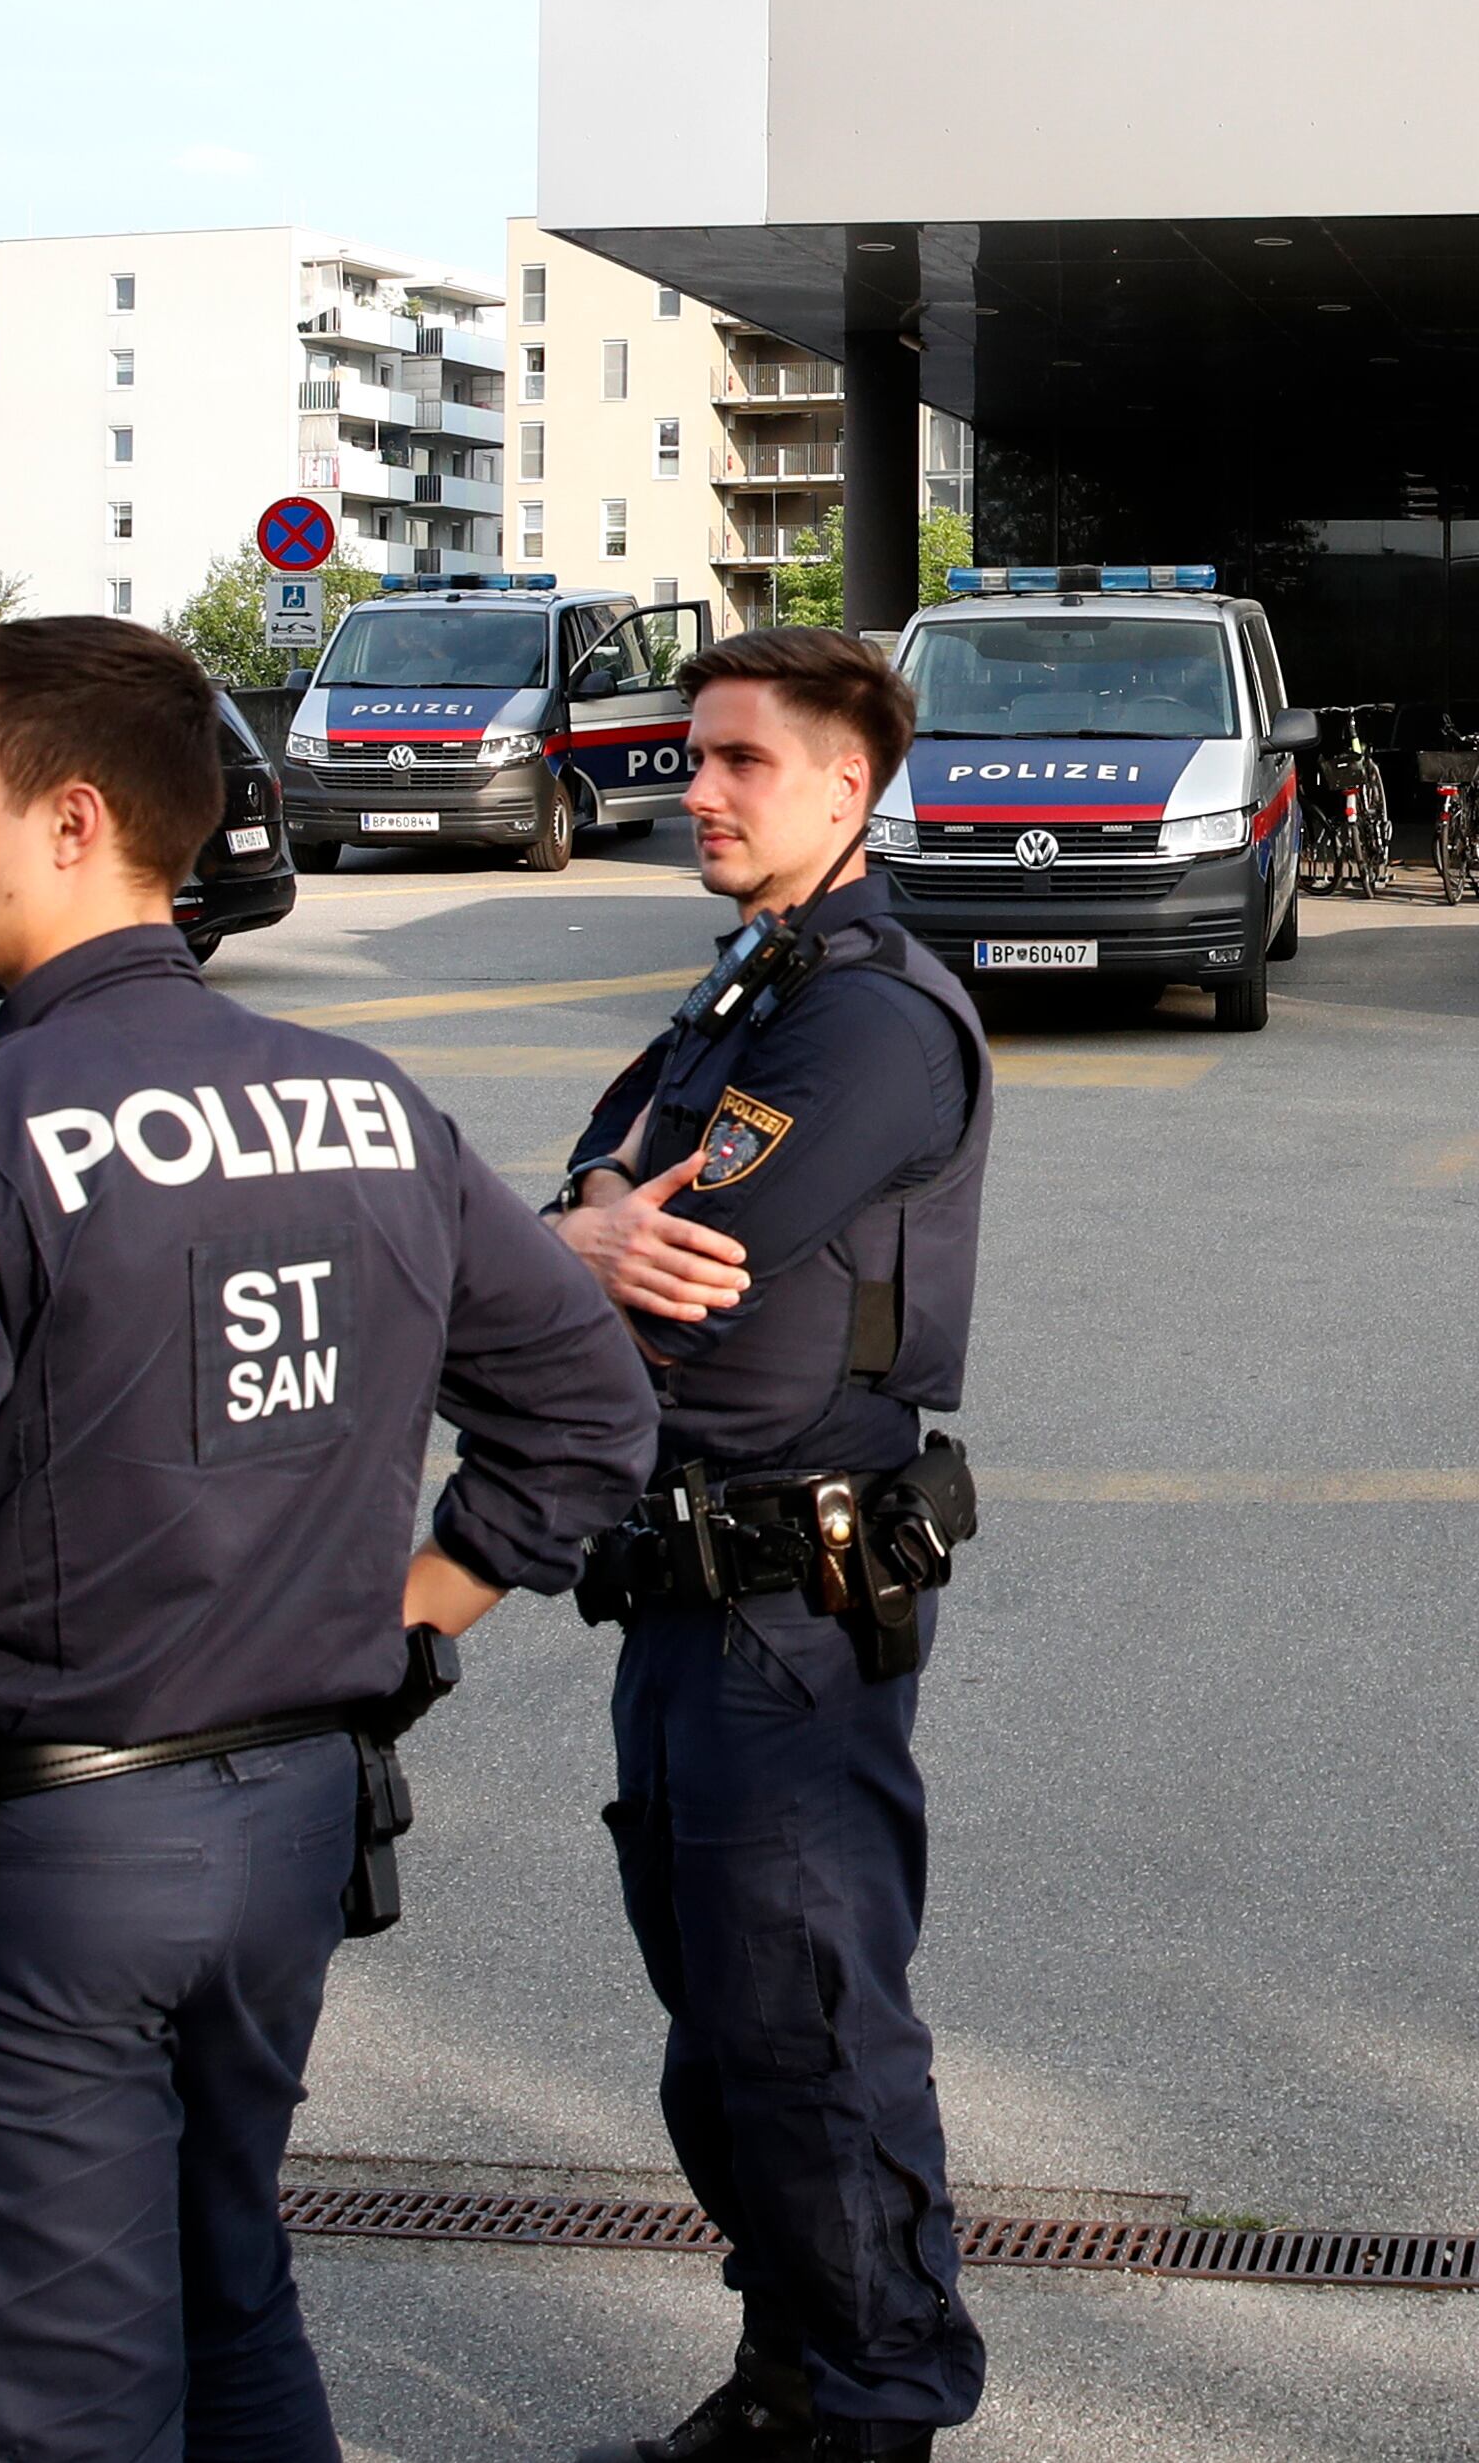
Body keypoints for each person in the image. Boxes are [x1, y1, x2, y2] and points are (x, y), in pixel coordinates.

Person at [0, 613, 660, 2463]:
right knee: (227, 2297)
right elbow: (590, 1411)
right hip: (286, 1831)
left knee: (60, 2389)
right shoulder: (362, 1097)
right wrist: (413, 1611)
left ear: (74, 822)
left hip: (50, 1860)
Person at [548, 626, 995, 2463]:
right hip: (684, 1585)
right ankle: (794, 2370)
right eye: (694, 756)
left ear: (847, 787)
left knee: (804, 2022)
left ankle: (870, 2405)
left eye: (741, 761)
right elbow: (598, 1171)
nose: (699, 792)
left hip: (789, 1601)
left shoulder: (868, 1017)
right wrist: (582, 1220)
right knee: (725, 2032)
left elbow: (686, 1254)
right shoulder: (754, 983)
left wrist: (581, 1234)